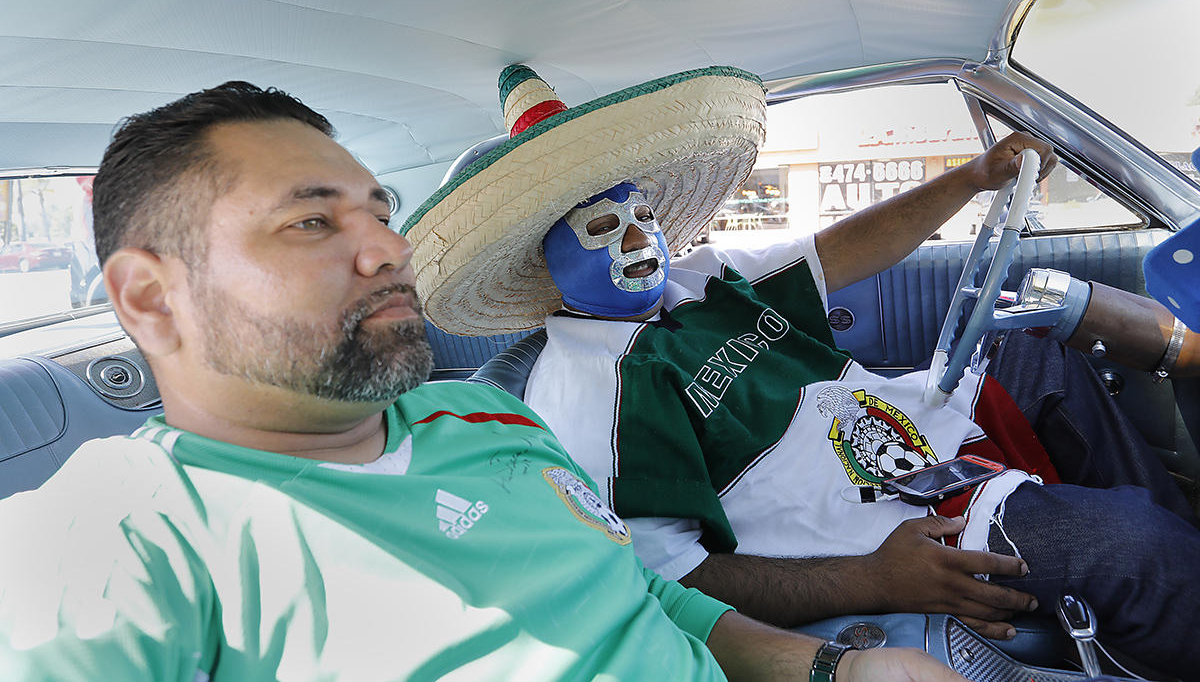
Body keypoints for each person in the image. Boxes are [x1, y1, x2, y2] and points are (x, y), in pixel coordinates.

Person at [0, 82, 979, 682]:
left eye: (379, 211)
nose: (386, 248)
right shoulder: (127, 532)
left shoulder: (485, 417)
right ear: (151, 297)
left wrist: (834, 668)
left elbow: (636, 594)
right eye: (311, 222)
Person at [401, 64, 1200, 678]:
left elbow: (838, 252)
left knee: (1042, 353)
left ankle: (1172, 577)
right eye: (604, 227)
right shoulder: (590, 391)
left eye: (641, 214)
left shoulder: (704, 277)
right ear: (546, 263)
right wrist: (873, 579)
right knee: (1134, 545)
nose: (640, 239)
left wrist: (969, 179)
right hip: (892, 525)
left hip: (916, 438)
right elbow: (670, 577)